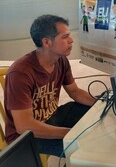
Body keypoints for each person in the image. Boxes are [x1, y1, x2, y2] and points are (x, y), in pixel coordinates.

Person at [4, 15, 96, 157]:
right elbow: (24, 126)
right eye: (65, 37)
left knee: (96, 114)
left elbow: (75, 92)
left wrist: (101, 104)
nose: (71, 40)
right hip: (27, 136)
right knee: (83, 148)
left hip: (52, 117)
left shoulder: (61, 60)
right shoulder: (20, 73)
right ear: (46, 42)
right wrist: (70, 133)